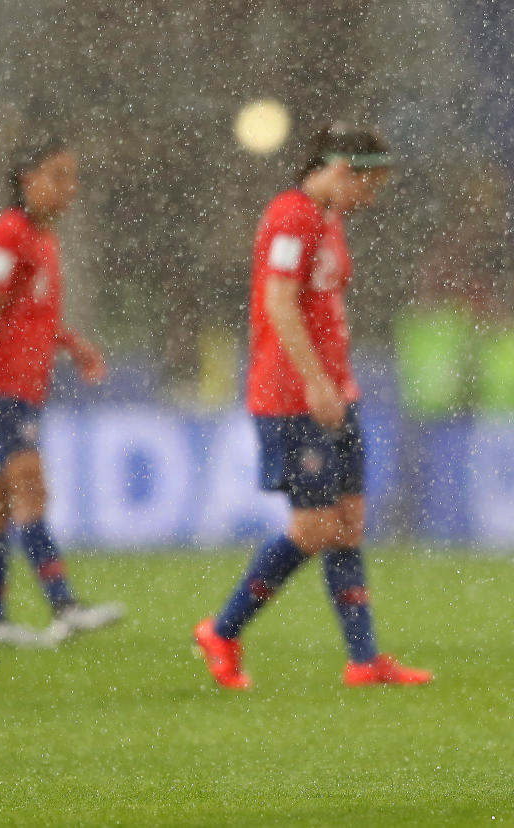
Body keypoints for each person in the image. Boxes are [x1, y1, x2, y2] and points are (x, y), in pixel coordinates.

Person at [193, 122, 433, 689]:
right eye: (369, 184)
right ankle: (223, 630)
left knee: (348, 523)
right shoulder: (291, 215)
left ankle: (364, 660)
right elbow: (279, 302)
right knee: (314, 526)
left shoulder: (327, 220)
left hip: (334, 392)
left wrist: (337, 382)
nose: (371, 197)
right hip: (293, 397)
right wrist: (317, 381)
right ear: (342, 170)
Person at [0, 135, 123, 650]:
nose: (69, 189)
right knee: (29, 489)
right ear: (28, 180)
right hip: (3, 386)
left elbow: (33, 316)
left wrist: (74, 344)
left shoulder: (42, 239)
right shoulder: (8, 234)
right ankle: (63, 605)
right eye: (58, 176)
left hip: (25, 386)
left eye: (73, 177)